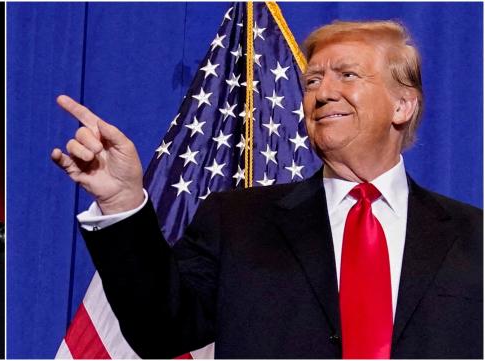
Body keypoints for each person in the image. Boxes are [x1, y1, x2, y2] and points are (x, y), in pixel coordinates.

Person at [51, 20, 481, 358]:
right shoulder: (236, 221)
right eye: (312, 81)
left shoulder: (473, 236)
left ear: (403, 105)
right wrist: (121, 200)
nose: (322, 93)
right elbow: (160, 331)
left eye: (347, 75)